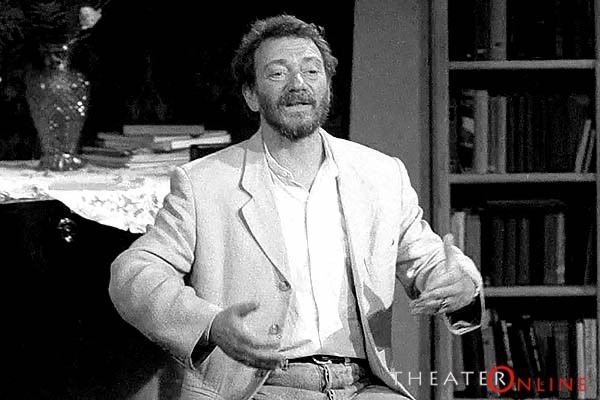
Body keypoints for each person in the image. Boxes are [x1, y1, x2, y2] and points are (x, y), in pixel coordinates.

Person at [109, 14, 484, 400]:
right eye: (277, 73)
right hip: (261, 387)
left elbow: (431, 262)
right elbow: (133, 273)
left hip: (364, 386)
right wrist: (210, 324)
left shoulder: (380, 175)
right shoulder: (204, 182)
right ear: (251, 95)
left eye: (311, 71)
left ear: (327, 87)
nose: (298, 84)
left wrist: (460, 284)